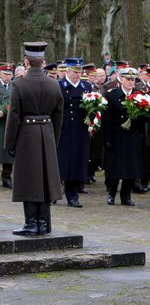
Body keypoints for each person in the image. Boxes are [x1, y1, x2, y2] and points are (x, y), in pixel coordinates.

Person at [6, 42, 63, 236]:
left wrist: (10, 143)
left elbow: (13, 117)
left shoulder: (19, 84)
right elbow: (58, 115)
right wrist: (53, 139)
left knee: (29, 179)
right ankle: (43, 222)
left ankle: (31, 223)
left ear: (26, 61)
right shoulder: (54, 84)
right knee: (45, 178)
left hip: (27, 135)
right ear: (43, 62)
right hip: (47, 133)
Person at [101, 68, 145, 207]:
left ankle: (126, 195)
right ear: (121, 79)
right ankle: (112, 194)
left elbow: (144, 119)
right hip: (116, 137)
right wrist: (106, 139)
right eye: (128, 79)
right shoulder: (112, 95)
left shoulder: (140, 96)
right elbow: (106, 119)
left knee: (131, 168)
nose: (131, 82)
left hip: (132, 137)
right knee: (114, 168)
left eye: (133, 80)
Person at [57, 58, 92, 208]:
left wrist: (92, 117)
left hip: (80, 130)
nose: (78, 74)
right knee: (62, 162)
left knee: (78, 162)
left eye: (80, 71)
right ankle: (53, 192)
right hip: (64, 131)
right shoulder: (59, 86)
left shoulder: (86, 86)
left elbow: (93, 107)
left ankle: (73, 194)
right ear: (68, 71)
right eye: (75, 71)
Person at [0, 64, 14, 189]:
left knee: (7, 152)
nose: (8, 77)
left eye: (10, 75)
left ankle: (6, 177)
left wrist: (5, 111)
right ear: (0, 74)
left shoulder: (14, 87)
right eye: (6, 74)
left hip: (9, 123)